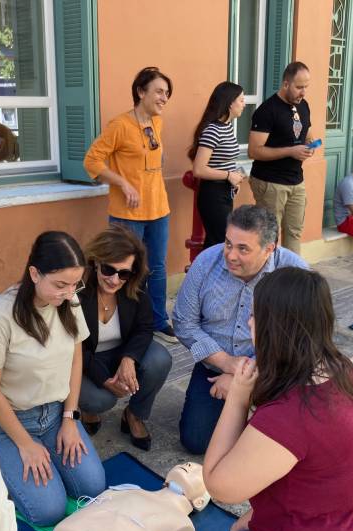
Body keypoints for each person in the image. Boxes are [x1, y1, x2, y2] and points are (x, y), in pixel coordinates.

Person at [183, 267, 353, 531]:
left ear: (276, 328)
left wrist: (239, 397)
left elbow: (218, 483)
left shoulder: (293, 416)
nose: (249, 323)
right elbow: (319, 473)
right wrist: (256, 515)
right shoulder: (347, 371)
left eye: (255, 316)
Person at [0, 232, 106, 526]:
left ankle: (39, 461)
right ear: (34, 273)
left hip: (56, 415)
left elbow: (76, 359)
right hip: (9, 420)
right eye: (60, 284)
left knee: (93, 487)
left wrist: (70, 420)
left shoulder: (69, 301)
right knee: (48, 510)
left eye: (75, 284)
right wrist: (24, 444)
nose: (69, 292)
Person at [172, 205, 308, 454]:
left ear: (270, 248)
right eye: (228, 243)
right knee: (195, 441)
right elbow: (183, 322)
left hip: (272, 369)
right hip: (215, 366)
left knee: (278, 443)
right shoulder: (206, 262)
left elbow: (300, 336)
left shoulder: (294, 273)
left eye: (243, 248)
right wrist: (225, 363)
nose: (230, 255)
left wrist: (241, 374)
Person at [84, 67, 177, 343]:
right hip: (127, 214)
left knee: (157, 268)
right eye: (159, 91)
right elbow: (91, 161)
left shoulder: (157, 123)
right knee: (121, 269)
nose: (164, 98)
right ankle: (123, 324)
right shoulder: (119, 126)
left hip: (159, 208)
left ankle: (158, 321)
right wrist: (122, 183)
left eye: (167, 94)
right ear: (140, 92)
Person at [77, 226, 173, 451]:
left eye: (124, 273)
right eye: (109, 269)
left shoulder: (134, 285)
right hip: (84, 360)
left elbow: (144, 327)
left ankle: (134, 414)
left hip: (120, 353)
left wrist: (129, 359)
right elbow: (75, 348)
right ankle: (88, 409)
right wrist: (104, 380)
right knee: (102, 400)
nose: (114, 279)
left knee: (159, 359)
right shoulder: (77, 292)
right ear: (95, 262)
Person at [247, 62, 316, 255]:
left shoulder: (303, 106)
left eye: (306, 87)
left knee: (294, 232)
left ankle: (291, 279)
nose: (303, 92)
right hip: (270, 182)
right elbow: (254, 151)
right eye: (299, 87)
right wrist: (290, 151)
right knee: (269, 235)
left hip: (296, 180)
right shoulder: (267, 110)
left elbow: (308, 133)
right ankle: (269, 278)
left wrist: (311, 146)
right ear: (286, 84)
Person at [189, 82, 247, 248]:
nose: (244, 104)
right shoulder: (213, 130)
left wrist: (233, 178)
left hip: (224, 192)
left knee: (216, 243)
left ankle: (205, 274)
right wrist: (229, 175)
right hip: (212, 194)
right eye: (241, 100)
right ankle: (207, 273)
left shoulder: (227, 127)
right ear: (230, 103)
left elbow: (223, 161)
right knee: (221, 243)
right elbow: (199, 169)